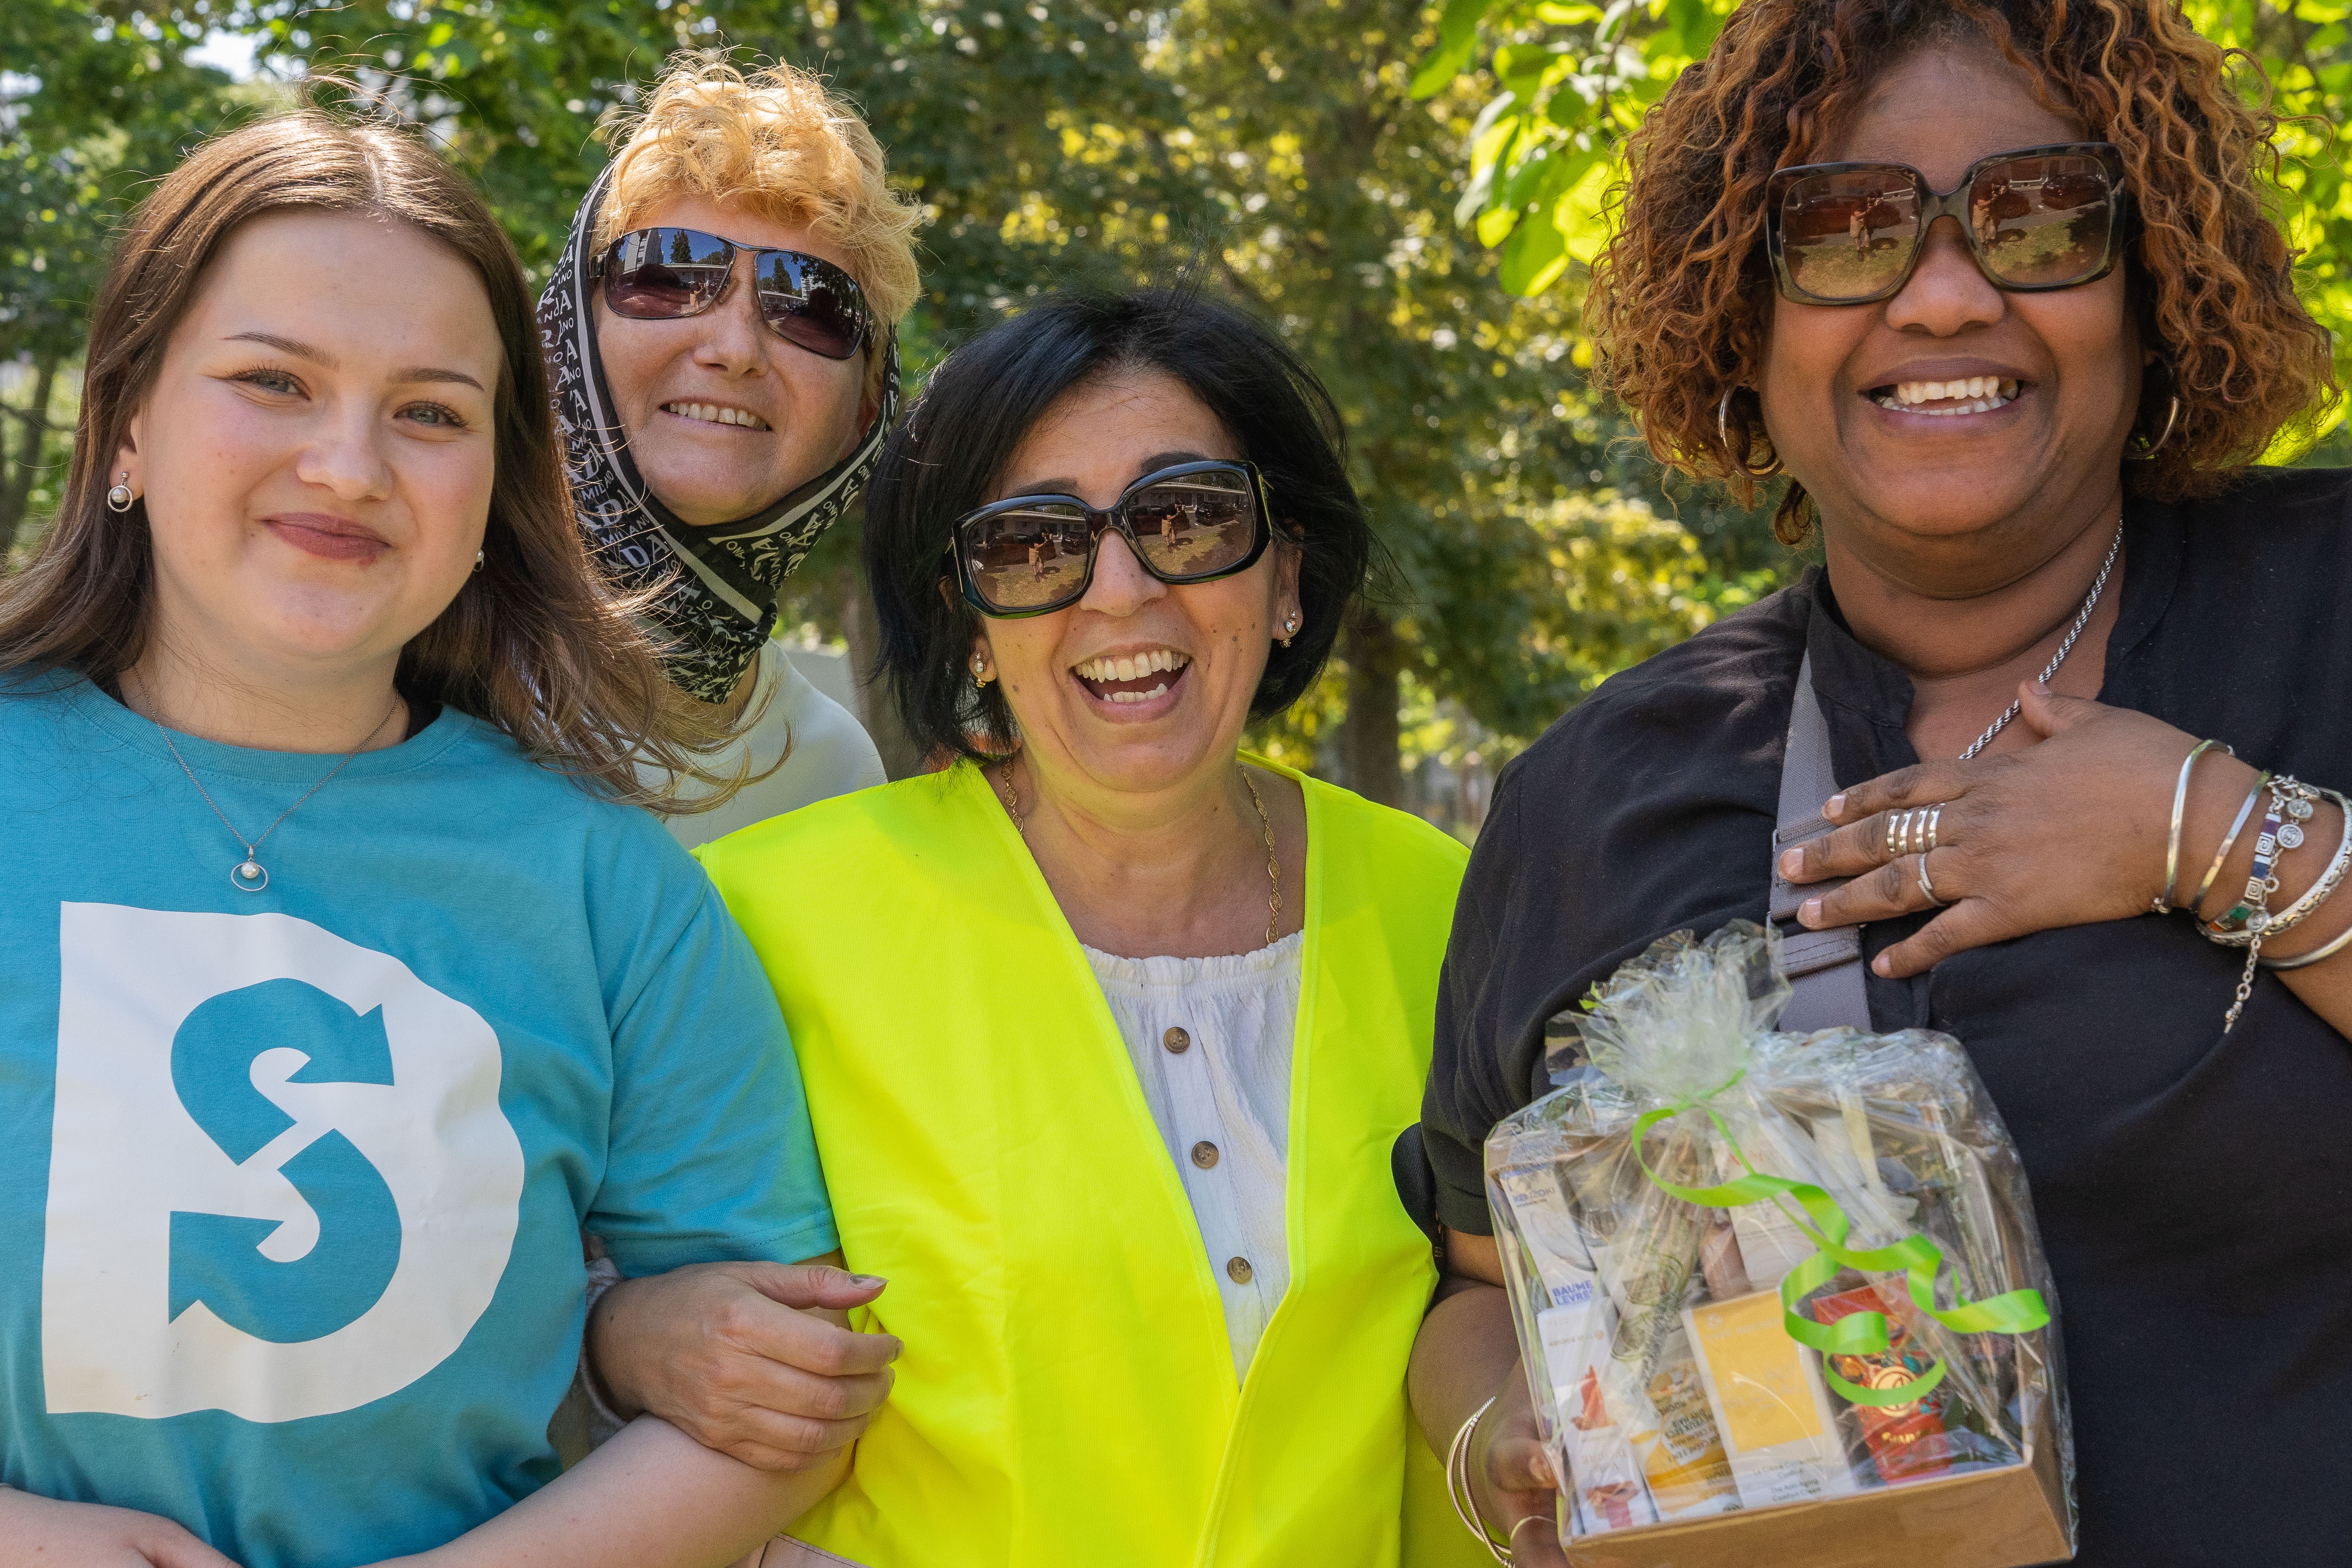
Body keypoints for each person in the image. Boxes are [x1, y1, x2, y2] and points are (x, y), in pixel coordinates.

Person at [1400, 3, 2345, 1566]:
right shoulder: (1601, 788)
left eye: (2040, 220)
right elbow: (1480, 1285)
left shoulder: (2328, 606)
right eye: (1846, 234)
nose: (1948, 296)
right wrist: (1512, 1440)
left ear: (2152, 283)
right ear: (1743, 322)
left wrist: (2220, 833)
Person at [0, 108, 891, 1568]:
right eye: (274, 381)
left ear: (497, 482)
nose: (349, 465)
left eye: (428, 412)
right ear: (127, 426)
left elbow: (772, 1386)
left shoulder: (617, 889)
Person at [585, 290, 1487, 1567]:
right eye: (1031, 545)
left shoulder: (1450, 911)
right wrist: (621, 1338)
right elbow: (561, 1327)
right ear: (967, 620)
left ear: (1287, 572)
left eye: (1188, 519)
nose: (1118, 592)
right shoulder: (758, 923)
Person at [538, 57, 921, 848]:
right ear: (569, 335)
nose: (736, 346)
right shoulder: (404, 661)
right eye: (669, 273)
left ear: (866, 408)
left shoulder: (833, 782)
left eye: (813, 306)